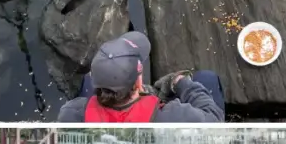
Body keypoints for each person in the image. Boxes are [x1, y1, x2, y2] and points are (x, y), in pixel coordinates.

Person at [57, 31, 225, 123]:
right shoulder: (171, 116)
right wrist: (182, 83)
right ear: (138, 82)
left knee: (83, 84)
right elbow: (214, 118)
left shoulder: (71, 112)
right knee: (207, 78)